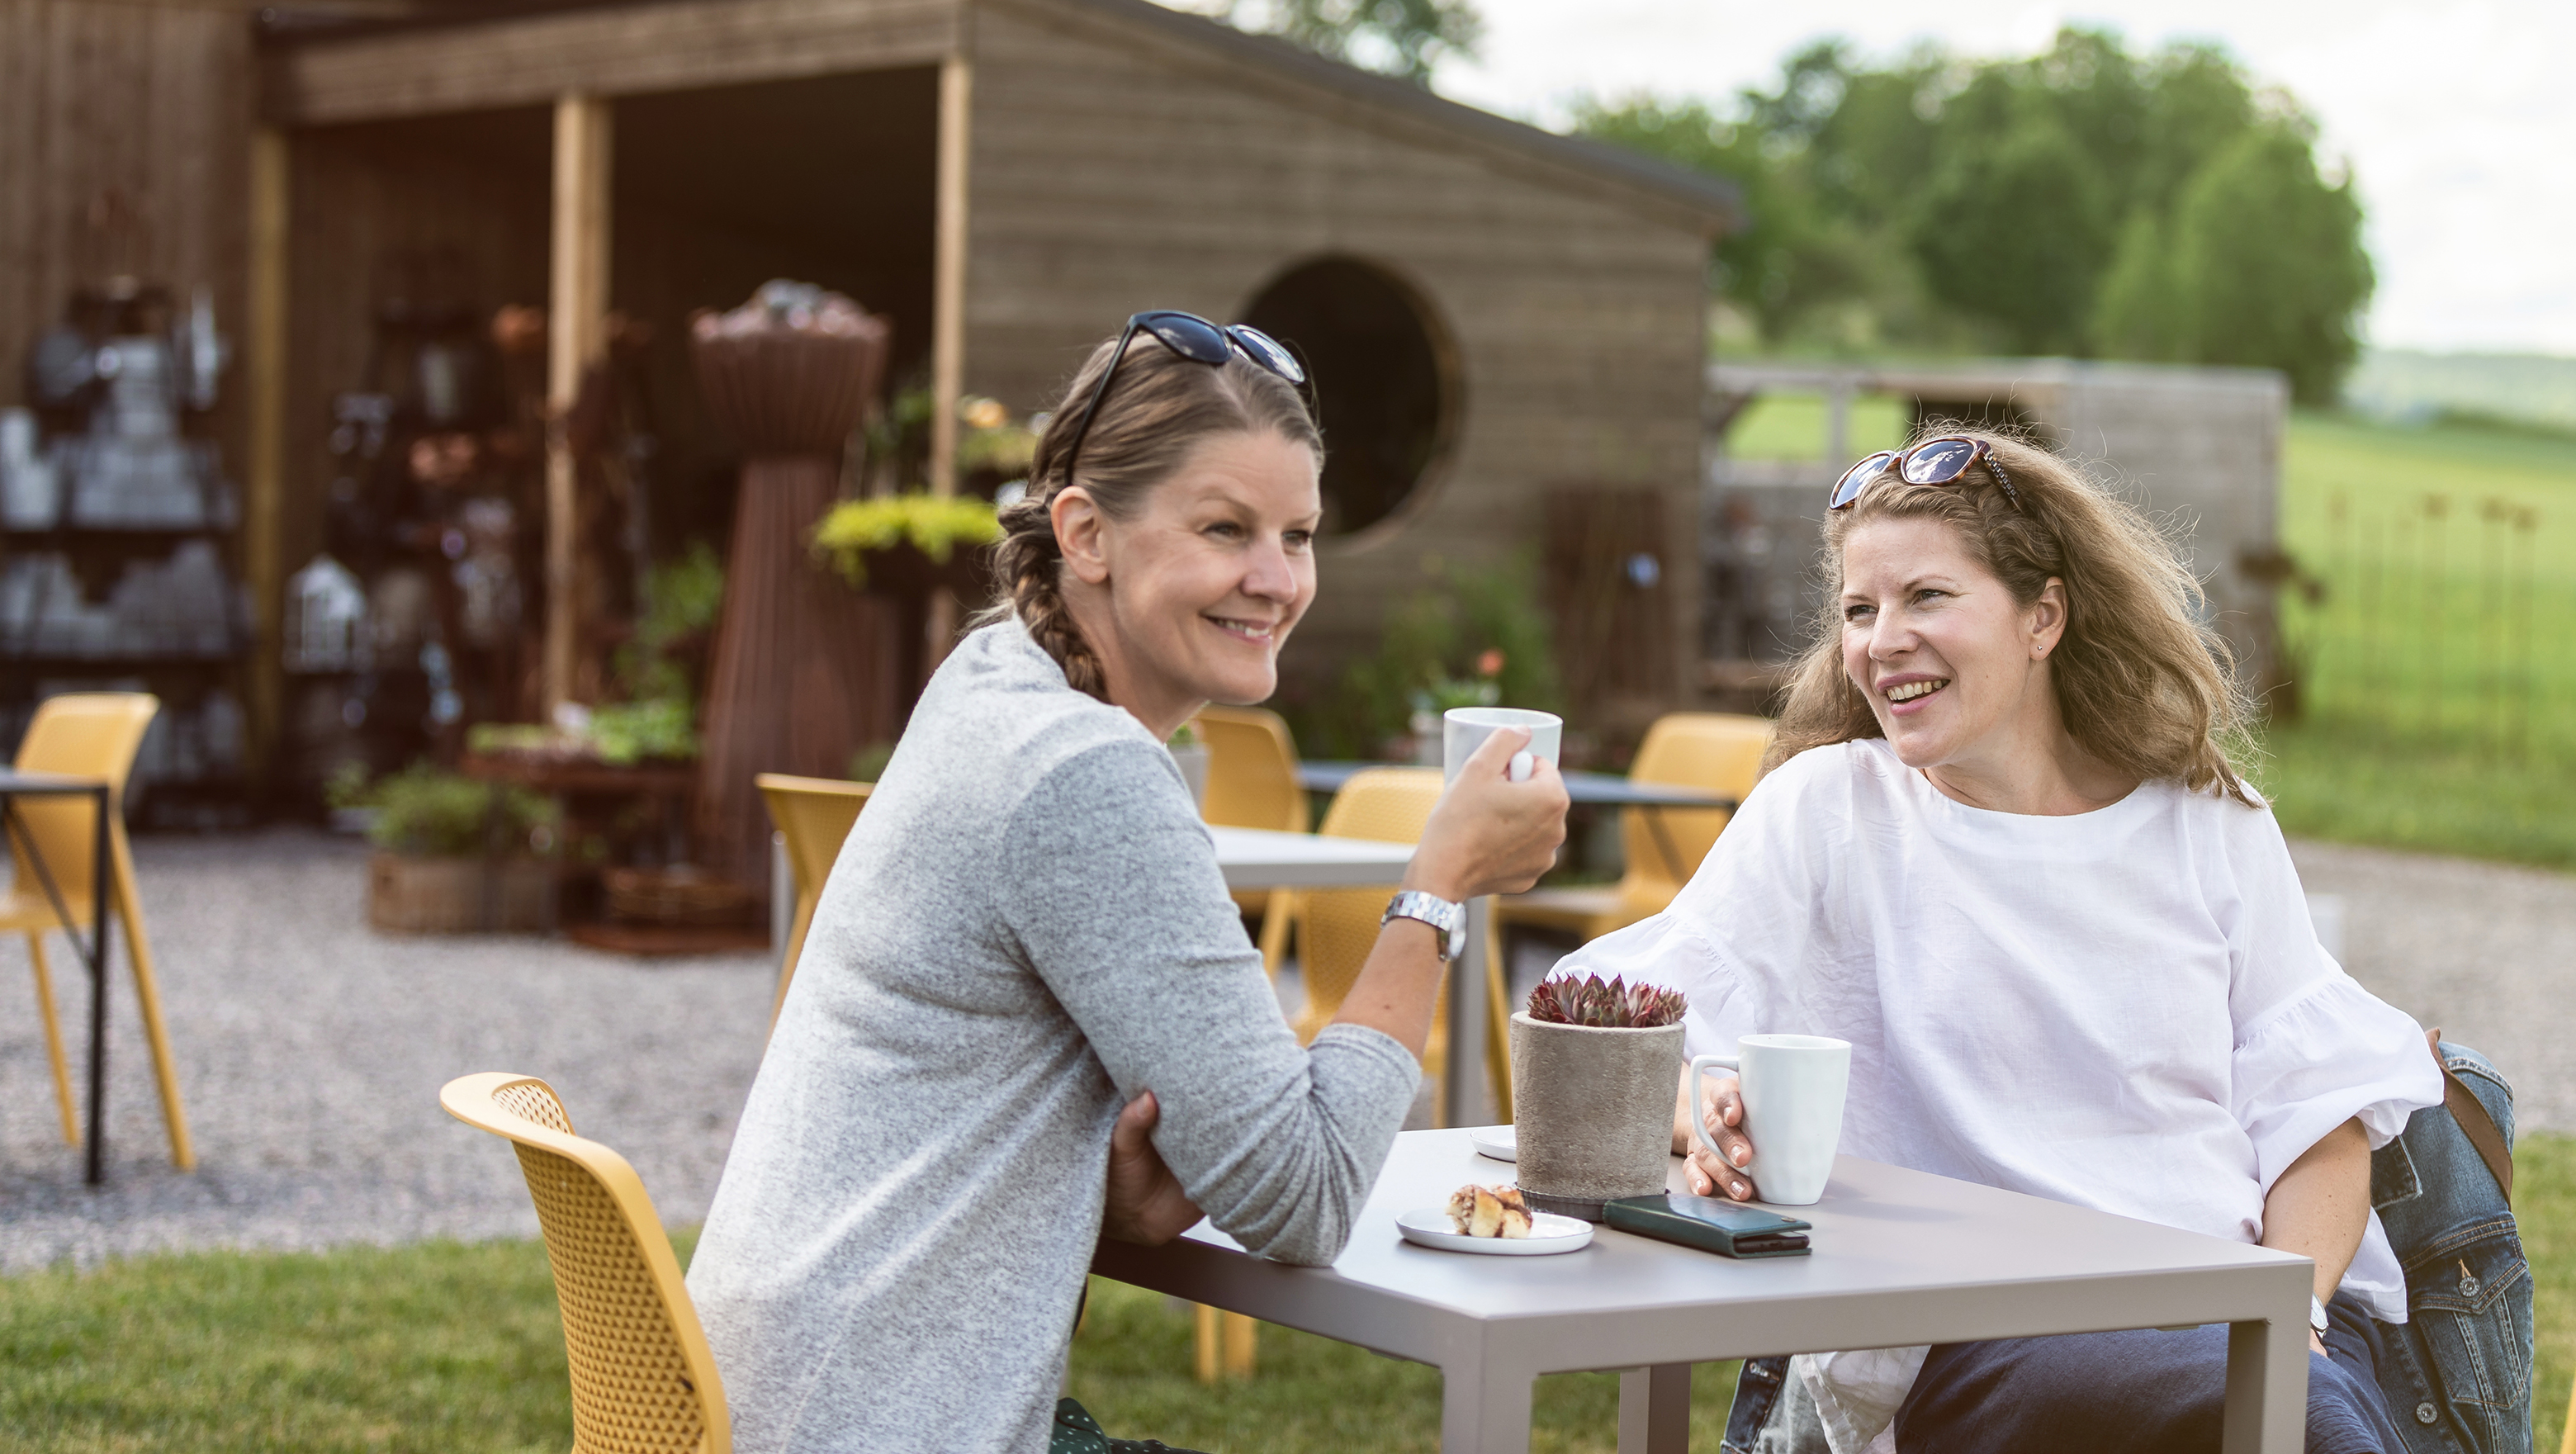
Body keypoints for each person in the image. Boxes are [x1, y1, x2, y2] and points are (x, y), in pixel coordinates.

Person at [687, 312, 1568, 1454]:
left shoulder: (995, 677)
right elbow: (1303, 1201)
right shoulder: (1083, 772)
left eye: (1297, 535)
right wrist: (1438, 887)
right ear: (1086, 533)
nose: (1275, 579)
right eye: (1224, 528)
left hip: (793, 1403)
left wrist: (1082, 1182)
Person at [1556, 429, 2441, 1454]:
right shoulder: (1828, 812)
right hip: (1980, 1332)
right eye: (1858, 608)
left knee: (2300, 1410)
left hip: (2238, 1307)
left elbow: (2315, 1118)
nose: (1881, 638)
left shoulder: (2210, 822)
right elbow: (1616, 1029)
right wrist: (1701, 1115)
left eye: (1924, 596)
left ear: (2043, 615)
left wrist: (2297, 1312)